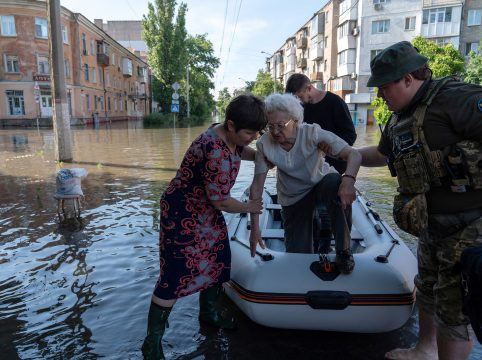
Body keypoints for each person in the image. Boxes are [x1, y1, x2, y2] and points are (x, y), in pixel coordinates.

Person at [359, 41, 482, 360]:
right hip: (432, 224)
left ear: (408, 79)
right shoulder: (400, 118)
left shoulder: (458, 98)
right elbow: (383, 155)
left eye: (384, 87)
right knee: (427, 287)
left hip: (477, 223)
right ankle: (424, 350)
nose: (380, 95)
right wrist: (343, 156)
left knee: (455, 306)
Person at [141, 94, 267, 360]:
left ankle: (209, 313)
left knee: (220, 258)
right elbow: (221, 201)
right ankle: (151, 343)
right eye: (249, 132)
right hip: (182, 213)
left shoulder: (226, 135)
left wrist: (262, 157)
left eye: (257, 133)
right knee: (174, 276)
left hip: (204, 210)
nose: (253, 137)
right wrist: (250, 207)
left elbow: (242, 150)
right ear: (231, 125)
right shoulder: (214, 151)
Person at [248, 93, 361, 273]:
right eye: (270, 126)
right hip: (292, 197)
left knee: (335, 181)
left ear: (295, 120)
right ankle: (313, 225)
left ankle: (344, 251)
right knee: (298, 257)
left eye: (280, 126)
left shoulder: (312, 132)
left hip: (321, 185)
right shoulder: (264, 144)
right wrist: (255, 230)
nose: (275, 132)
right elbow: (257, 187)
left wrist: (349, 181)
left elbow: (354, 154)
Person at [285, 73, 357, 174]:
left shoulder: (335, 102)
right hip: (307, 170)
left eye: (300, 97)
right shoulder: (299, 107)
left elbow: (350, 135)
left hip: (333, 169)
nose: (298, 102)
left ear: (309, 88)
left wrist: (331, 145)